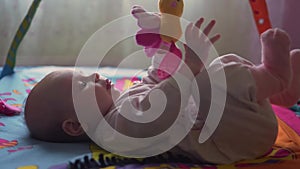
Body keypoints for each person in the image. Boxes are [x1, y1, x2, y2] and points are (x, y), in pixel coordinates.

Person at [24, 17, 300, 164]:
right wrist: (188, 67)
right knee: (213, 80)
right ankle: (275, 78)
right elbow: (161, 106)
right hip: (234, 141)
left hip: (234, 126)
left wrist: (162, 58)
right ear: (74, 126)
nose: (95, 75)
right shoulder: (114, 131)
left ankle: (274, 92)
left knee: (218, 67)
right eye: (83, 84)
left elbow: (153, 85)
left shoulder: (116, 110)